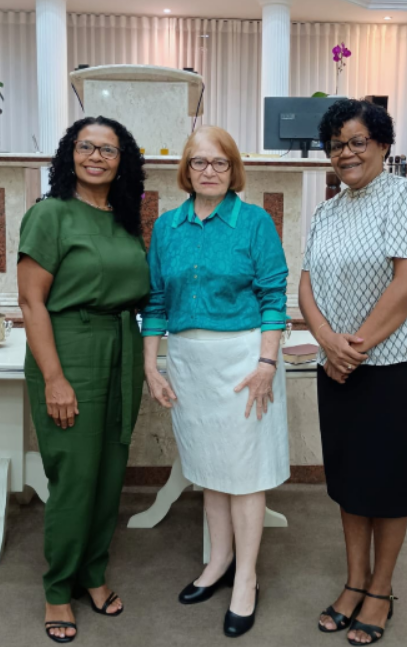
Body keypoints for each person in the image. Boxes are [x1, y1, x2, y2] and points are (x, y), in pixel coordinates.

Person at [299, 99, 407, 645]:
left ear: (382, 144)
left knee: (387, 480)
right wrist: (326, 340)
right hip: (337, 363)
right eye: (336, 145)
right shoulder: (327, 212)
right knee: (349, 479)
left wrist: (351, 348)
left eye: (357, 141)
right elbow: (305, 284)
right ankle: (354, 579)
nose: (346, 153)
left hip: (400, 363)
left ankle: (380, 589)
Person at [143, 125, 290, 638]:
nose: (209, 171)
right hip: (189, 363)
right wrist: (151, 365)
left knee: (244, 474)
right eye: (199, 162)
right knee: (209, 470)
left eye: (219, 162)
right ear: (186, 169)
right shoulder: (167, 227)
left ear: (233, 170)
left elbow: (274, 295)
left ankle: (246, 578)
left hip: (244, 361)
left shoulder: (254, 222)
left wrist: (267, 363)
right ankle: (219, 562)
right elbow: (156, 300)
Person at [17, 116, 150, 643]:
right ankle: (58, 588)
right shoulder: (49, 214)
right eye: (86, 146)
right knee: (74, 477)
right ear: (70, 153)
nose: (96, 157)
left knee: (110, 472)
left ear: (122, 160)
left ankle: (93, 573)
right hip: (70, 349)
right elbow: (32, 302)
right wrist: (54, 378)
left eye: (108, 150)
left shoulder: (124, 220)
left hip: (122, 347)